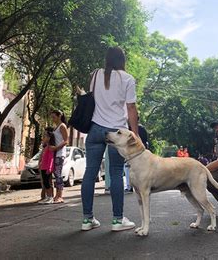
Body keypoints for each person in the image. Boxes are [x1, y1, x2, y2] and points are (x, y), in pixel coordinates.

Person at [81, 46, 138, 232]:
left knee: (90, 173)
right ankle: (117, 220)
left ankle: (87, 220)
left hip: (95, 129)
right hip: (117, 133)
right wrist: (135, 134)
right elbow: (131, 108)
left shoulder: (96, 74)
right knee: (115, 173)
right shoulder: (128, 79)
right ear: (123, 60)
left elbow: (91, 97)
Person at [50, 110, 68, 204]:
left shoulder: (62, 126)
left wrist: (56, 148)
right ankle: (56, 195)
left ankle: (60, 195)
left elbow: (66, 141)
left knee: (58, 174)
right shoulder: (55, 127)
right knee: (55, 174)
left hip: (60, 154)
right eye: (52, 117)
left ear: (59, 116)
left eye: (54, 117)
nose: (53, 119)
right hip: (54, 154)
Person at [124, 122, 149, 192]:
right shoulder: (142, 129)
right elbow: (146, 141)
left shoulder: (128, 129)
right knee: (142, 170)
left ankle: (130, 186)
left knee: (128, 169)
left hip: (131, 153)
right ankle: (143, 185)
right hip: (141, 153)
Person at [38, 128, 56, 204]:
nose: (43, 138)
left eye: (45, 136)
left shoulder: (50, 147)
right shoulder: (45, 147)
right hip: (43, 167)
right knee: (45, 183)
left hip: (47, 168)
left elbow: (51, 159)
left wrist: (49, 168)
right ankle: (47, 197)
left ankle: (50, 197)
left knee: (48, 183)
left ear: (49, 138)